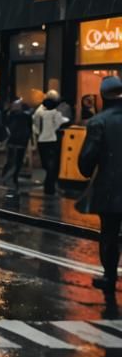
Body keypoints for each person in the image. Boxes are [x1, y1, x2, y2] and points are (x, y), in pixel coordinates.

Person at [77, 76, 122, 297]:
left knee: (109, 234)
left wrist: (87, 169)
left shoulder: (99, 121)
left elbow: (86, 161)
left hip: (111, 188)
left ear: (103, 95)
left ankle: (109, 277)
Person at [32, 91, 70, 196]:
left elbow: (35, 124)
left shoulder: (39, 111)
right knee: (52, 165)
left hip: (41, 140)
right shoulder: (54, 113)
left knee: (47, 164)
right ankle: (50, 187)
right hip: (52, 140)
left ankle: (49, 186)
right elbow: (62, 121)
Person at [3, 100, 33, 196]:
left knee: (11, 161)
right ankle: (13, 179)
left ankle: (8, 178)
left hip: (12, 141)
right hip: (21, 142)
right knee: (18, 161)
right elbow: (29, 128)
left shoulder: (10, 116)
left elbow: (6, 126)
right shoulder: (26, 116)